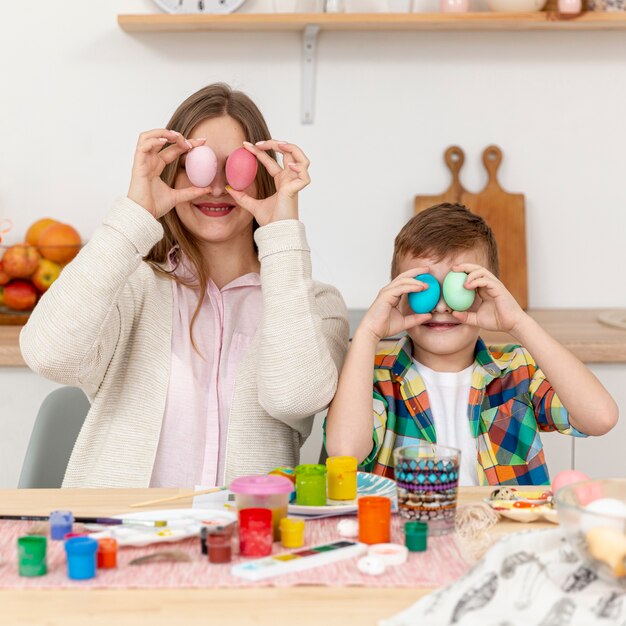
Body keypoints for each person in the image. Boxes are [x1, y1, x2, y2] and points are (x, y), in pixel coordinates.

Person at [21, 83, 349, 488]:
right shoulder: (132, 286)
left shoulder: (314, 304)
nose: (216, 188)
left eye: (237, 168)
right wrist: (135, 213)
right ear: (172, 169)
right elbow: (49, 354)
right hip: (119, 538)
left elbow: (294, 397)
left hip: (248, 541)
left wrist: (282, 231)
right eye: (201, 163)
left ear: (265, 176)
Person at [325, 203, 618, 485]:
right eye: (423, 288)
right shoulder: (374, 377)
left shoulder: (515, 371)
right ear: (398, 296)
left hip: (501, 531)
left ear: (486, 292)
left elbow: (600, 418)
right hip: (412, 534)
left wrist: (519, 323)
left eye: (459, 286)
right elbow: (345, 453)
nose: (440, 306)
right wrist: (367, 333)